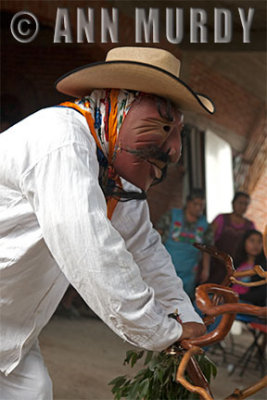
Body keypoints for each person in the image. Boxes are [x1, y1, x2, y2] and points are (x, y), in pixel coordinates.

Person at [0, 46, 215, 399]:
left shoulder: (111, 174)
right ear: (119, 103)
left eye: (177, 129)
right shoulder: (60, 141)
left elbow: (145, 249)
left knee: (33, 391)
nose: (173, 148)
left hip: (13, 330)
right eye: (163, 124)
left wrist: (183, 314)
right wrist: (162, 332)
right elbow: (92, 251)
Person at [156, 189, 213, 299]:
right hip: (166, 267)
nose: (198, 208)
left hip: (189, 271)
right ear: (188, 203)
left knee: (183, 301)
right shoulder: (172, 216)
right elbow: (156, 237)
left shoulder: (205, 225)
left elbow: (207, 249)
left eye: (201, 205)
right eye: (195, 204)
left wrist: (206, 269)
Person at [209, 191, 256, 284]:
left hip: (238, 269)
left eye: (245, 204)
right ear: (233, 203)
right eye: (240, 203)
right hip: (216, 265)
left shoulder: (250, 225)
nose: (242, 206)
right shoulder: (221, 219)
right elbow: (208, 241)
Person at [232, 229, 266, 307]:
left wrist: (236, 297)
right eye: (252, 241)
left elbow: (261, 294)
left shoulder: (264, 267)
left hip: (249, 304)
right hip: (231, 299)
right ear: (244, 243)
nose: (256, 245)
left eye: (260, 242)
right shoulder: (236, 263)